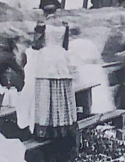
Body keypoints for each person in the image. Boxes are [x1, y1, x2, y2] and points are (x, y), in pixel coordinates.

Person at [17, 22, 76, 161]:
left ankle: (49, 128)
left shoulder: (44, 26)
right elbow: (65, 44)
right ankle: (60, 126)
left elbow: (36, 44)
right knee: (54, 94)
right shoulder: (62, 26)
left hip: (48, 59)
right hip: (59, 58)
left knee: (47, 95)